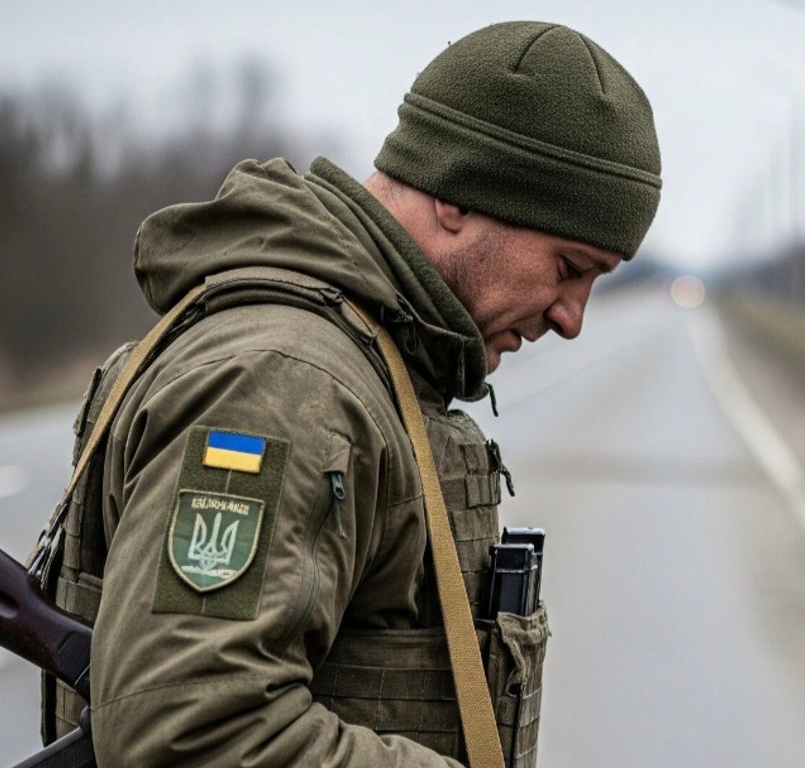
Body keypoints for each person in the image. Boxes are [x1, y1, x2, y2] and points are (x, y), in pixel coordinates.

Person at [41, 20, 661, 767]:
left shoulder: (365, 359)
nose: (571, 319)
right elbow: (190, 731)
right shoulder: (286, 383)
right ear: (458, 197)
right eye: (568, 268)